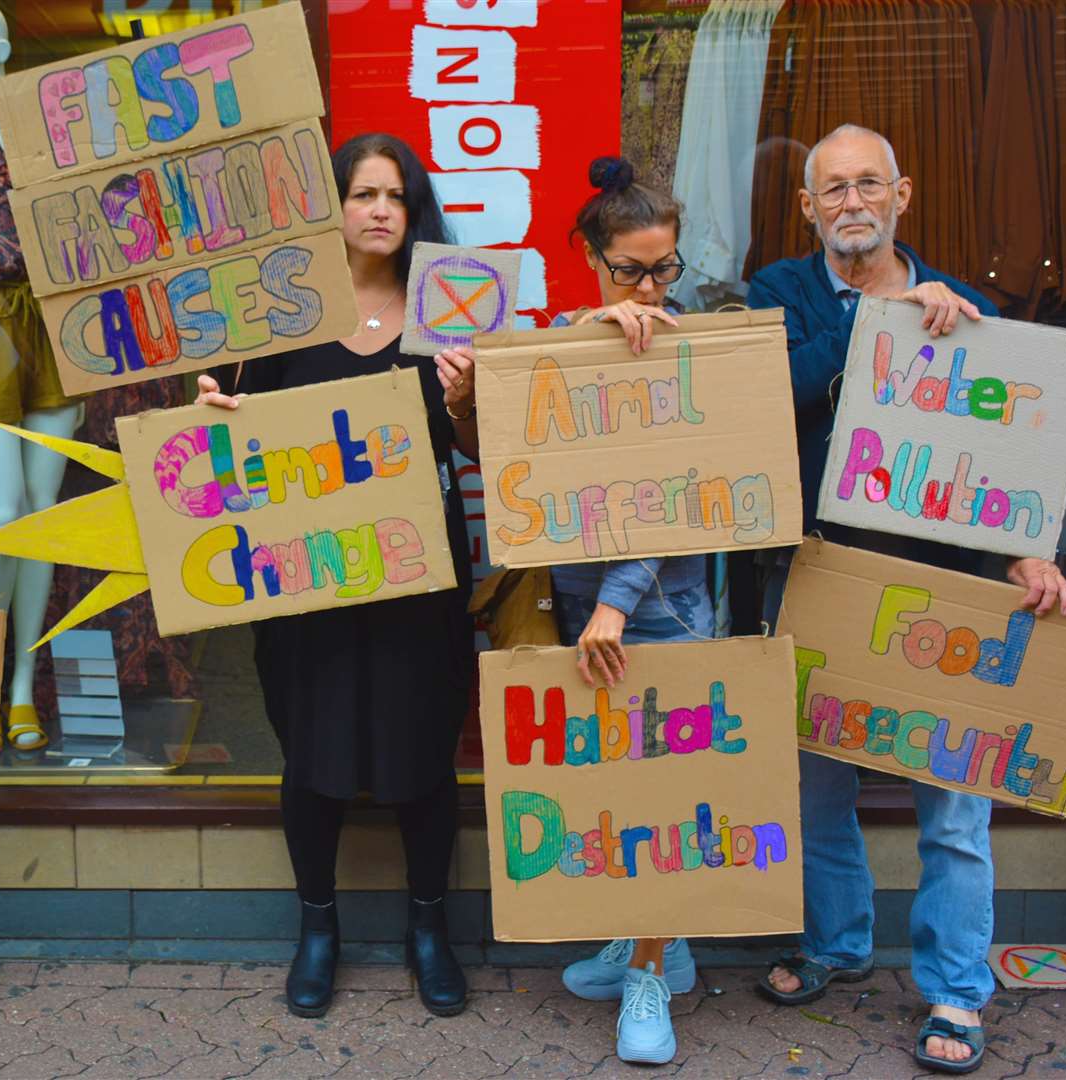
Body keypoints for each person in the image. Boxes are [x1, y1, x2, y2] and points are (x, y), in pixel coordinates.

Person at [745, 123, 1066, 1075]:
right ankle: (838, 949)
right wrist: (874, 325)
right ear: (808, 208)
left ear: (903, 195)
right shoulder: (779, 293)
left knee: (955, 809)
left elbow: (1009, 452)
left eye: (868, 185)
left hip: (947, 592)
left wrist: (1027, 554)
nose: (852, 202)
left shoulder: (967, 311)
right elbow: (775, 396)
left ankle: (957, 990)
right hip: (818, 577)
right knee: (818, 792)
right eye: (833, 190)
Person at [434, 155, 708, 1066]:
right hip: (579, 604)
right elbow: (504, 464)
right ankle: (656, 948)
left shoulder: (690, 345)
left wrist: (620, 605)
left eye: (665, 266)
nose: (650, 286)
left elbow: (682, 488)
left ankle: (648, 976)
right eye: (631, 268)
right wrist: (471, 397)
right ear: (591, 259)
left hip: (660, 612)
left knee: (660, 799)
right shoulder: (560, 336)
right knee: (605, 792)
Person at [196, 134, 476, 1020]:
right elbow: (238, 445)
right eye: (363, 194)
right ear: (336, 207)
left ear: (415, 207)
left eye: (395, 194)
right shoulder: (285, 317)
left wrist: (466, 402)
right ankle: (318, 929)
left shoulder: (450, 312)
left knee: (424, 755)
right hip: (302, 581)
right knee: (310, 755)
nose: (380, 210)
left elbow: (490, 453)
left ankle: (428, 930)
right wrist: (218, 416)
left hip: (417, 576)